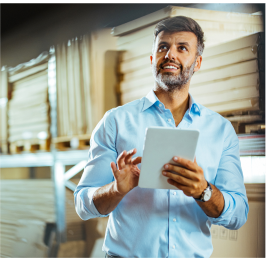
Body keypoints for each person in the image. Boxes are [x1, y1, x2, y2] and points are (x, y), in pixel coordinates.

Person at [74, 16, 249, 258]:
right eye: (163, 47)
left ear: (197, 62)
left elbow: (239, 214)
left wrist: (203, 191)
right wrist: (116, 189)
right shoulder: (116, 121)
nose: (170, 55)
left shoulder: (221, 130)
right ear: (152, 59)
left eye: (182, 48)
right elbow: (82, 204)